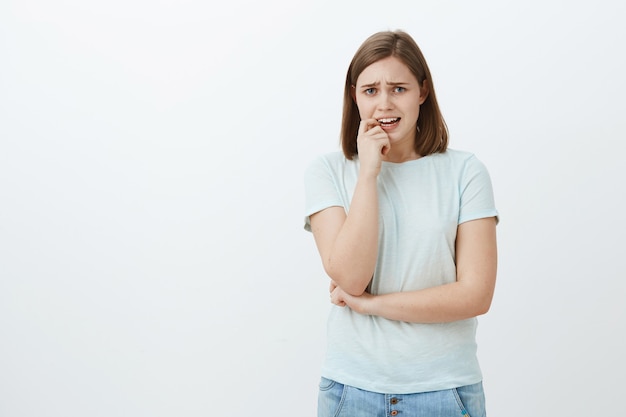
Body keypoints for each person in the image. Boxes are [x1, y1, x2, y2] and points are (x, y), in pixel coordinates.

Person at [303, 30, 499, 417]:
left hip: (444, 390)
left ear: (422, 92)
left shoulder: (465, 172)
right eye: (371, 91)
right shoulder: (327, 171)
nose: (384, 104)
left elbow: (476, 296)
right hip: (351, 391)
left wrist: (370, 305)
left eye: (399, 88)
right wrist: (368, 173)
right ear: (354, 95)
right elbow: (351, 277)